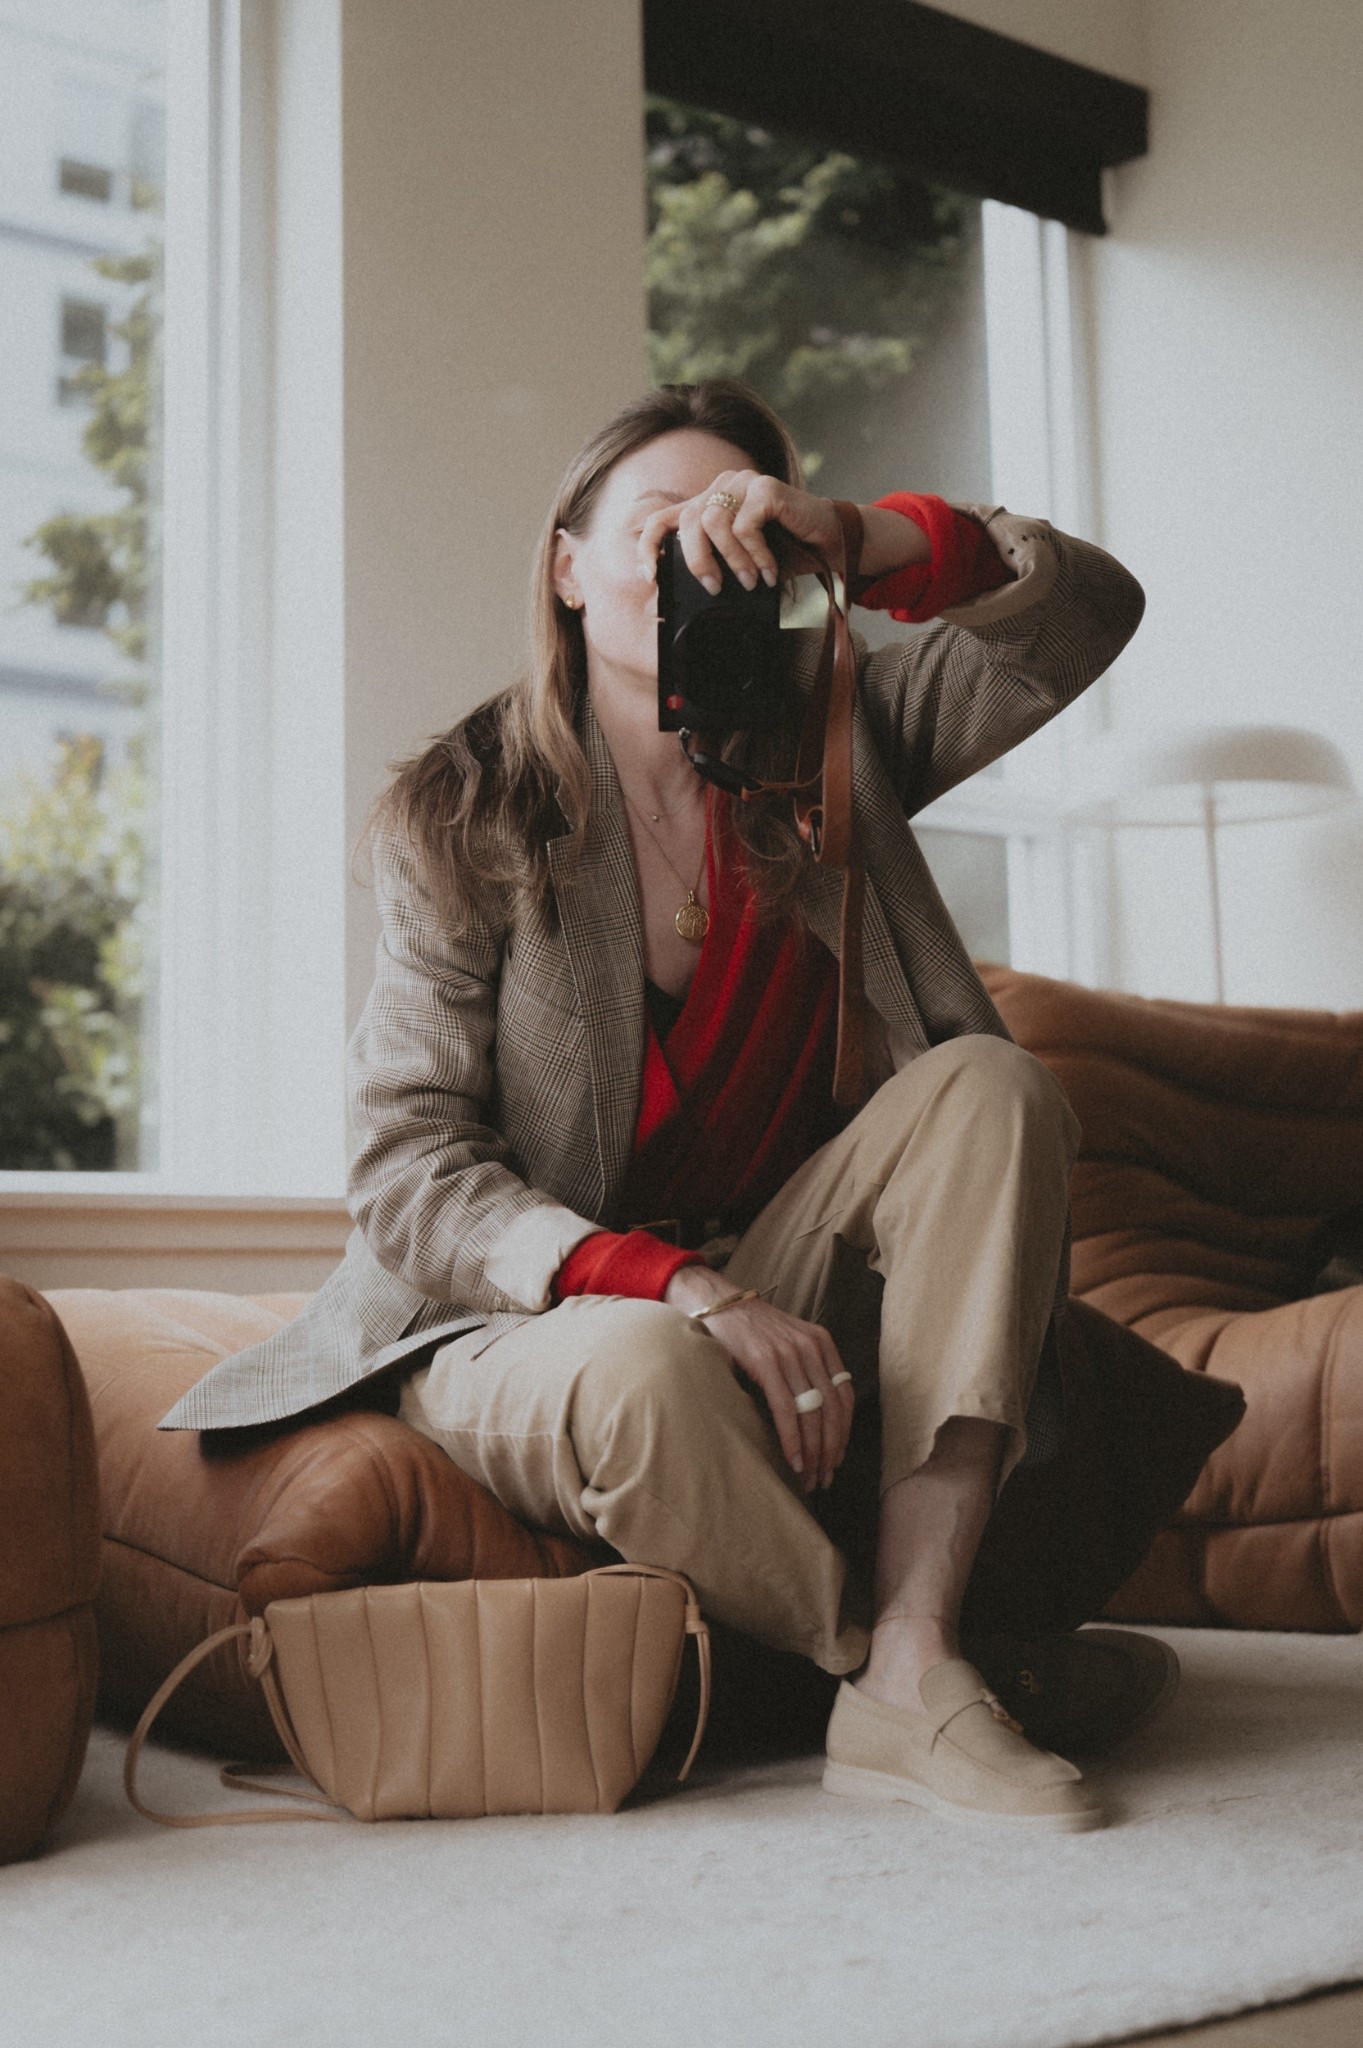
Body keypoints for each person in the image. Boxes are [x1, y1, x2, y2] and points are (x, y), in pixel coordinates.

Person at [163, 379, 1167, 1831]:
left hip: (782, 1268)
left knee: (992, 1086)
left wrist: (861, 536)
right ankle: (914, 1670)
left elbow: (1091, 613)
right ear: (568, 568)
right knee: (647, 1371)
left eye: (736, 526)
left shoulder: (837, 739)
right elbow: (408, 1168)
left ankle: (914, 1657)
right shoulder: (466, 810)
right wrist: (678, 1289)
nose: (698, 553)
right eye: (657, 525)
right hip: (533, 1322)